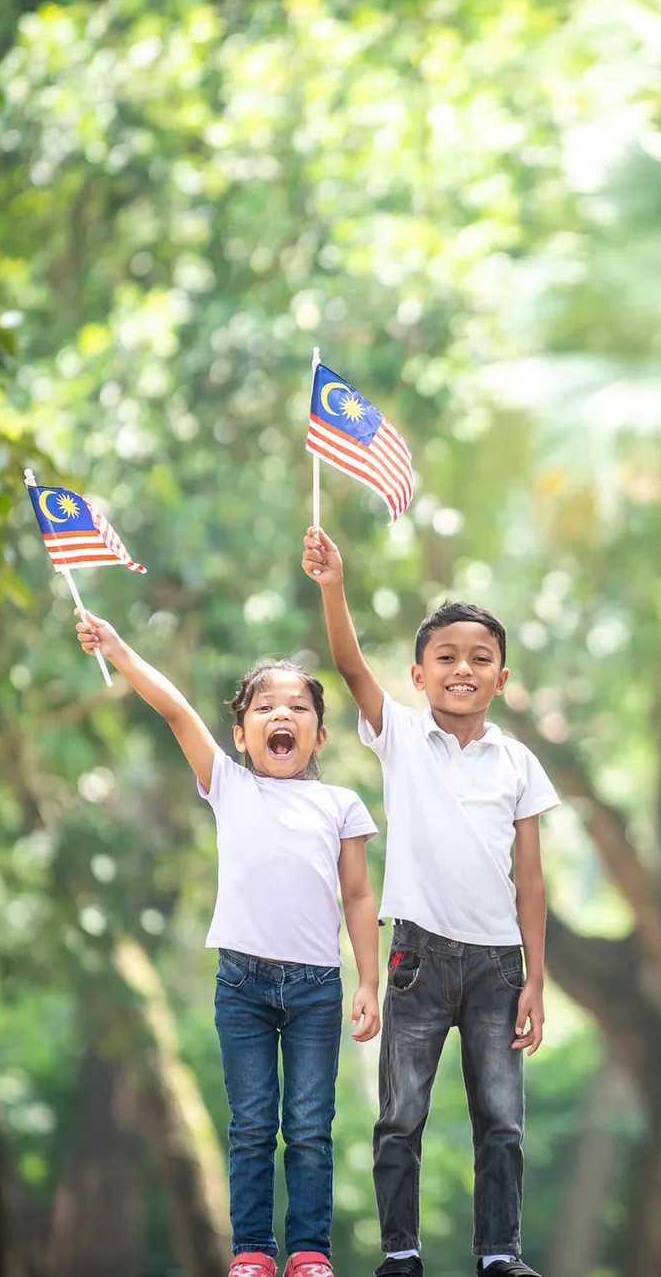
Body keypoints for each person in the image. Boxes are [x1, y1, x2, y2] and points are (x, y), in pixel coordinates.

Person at [75, 610, 383, 1277]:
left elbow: (359, 896)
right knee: (250, 1127)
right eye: (264, 706)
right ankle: (252, 1253)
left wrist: (367, 982)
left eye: (297, 706)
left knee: (307, 1125)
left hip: (316, 989)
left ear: (319, 735)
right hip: (241, 985)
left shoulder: (340, 805)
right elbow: (178, 710)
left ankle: (308, 1252)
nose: (282, 714)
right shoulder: (228, 786)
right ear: (242, 737)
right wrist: (119, 650)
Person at [301, 527, 557, 1277]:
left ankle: (500, 1256)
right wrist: (332, 586)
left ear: (502, 678)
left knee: (502, 1123)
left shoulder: (518, 763)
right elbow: (348, 667)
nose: (463, 669)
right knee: (400, 1117)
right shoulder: (402, 741)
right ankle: (401, 1253)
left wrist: (535, 978)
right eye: (446, 658)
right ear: (418, 675)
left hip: (497, 967)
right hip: (415, 957)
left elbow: (532, 881)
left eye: (481, 659)